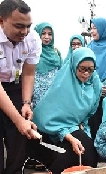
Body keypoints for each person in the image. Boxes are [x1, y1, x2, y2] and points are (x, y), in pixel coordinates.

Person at [27, 47, 101, 173]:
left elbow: (89, 114)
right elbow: (50, 121)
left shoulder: (95, 84)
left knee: (88, 155)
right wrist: (69, 136)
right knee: (77, 153)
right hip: (49, 134)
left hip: (75, 128)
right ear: (74, 66)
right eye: (82, 69)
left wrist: (82, 127)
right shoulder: (62, 85)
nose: (86, 74)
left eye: (90, 69)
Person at [0, 0, 42, 173]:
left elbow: (28, 73)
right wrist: (18, 120)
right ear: (1, 21)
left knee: (19, 138)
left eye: (28, 26)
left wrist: (26, 103)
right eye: (19, 26)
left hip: (15, 86)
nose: (24, 31)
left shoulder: (32, 39)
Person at [32, 22, 62, 108]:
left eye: (50, 34)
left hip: (54, 95)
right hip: (36, 96)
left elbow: (61, 73)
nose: (46, 37)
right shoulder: (32, 52)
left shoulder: (56, 52)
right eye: (43, 33)